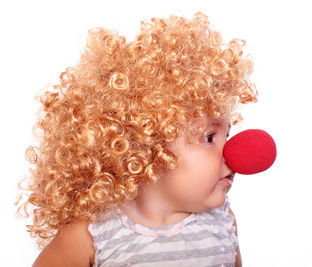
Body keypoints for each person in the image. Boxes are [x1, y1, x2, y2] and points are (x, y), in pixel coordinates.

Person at [17, 11, 257, 266]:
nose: (232, 152)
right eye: (209, 137)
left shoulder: (222, 221)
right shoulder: (92, 236)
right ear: (147, 148)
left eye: (227, 134)